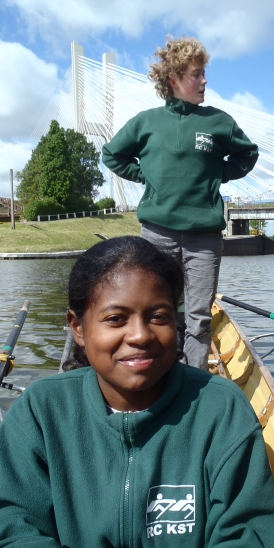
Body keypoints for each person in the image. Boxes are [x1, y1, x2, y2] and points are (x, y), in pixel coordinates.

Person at [0, 236, 274, 548]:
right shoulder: (42, 410)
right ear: (78, 327)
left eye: (158, 316)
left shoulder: (222, 410)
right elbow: (12, 520)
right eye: (116, 319)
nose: (140, 335)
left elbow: (244, 545)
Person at [102, 37, 259, 370]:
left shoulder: (218, 122)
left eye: (204, 74)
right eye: (197, 74)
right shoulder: (146, 123)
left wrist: (219, 173)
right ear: (174, 80)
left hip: (204, 238)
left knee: (199, 318)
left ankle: (192, 386)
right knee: (156, 312)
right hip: (157, 234)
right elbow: (112, 154)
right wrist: (146, 176)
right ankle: (158, 376)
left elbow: (249, 153)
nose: (204, 81)